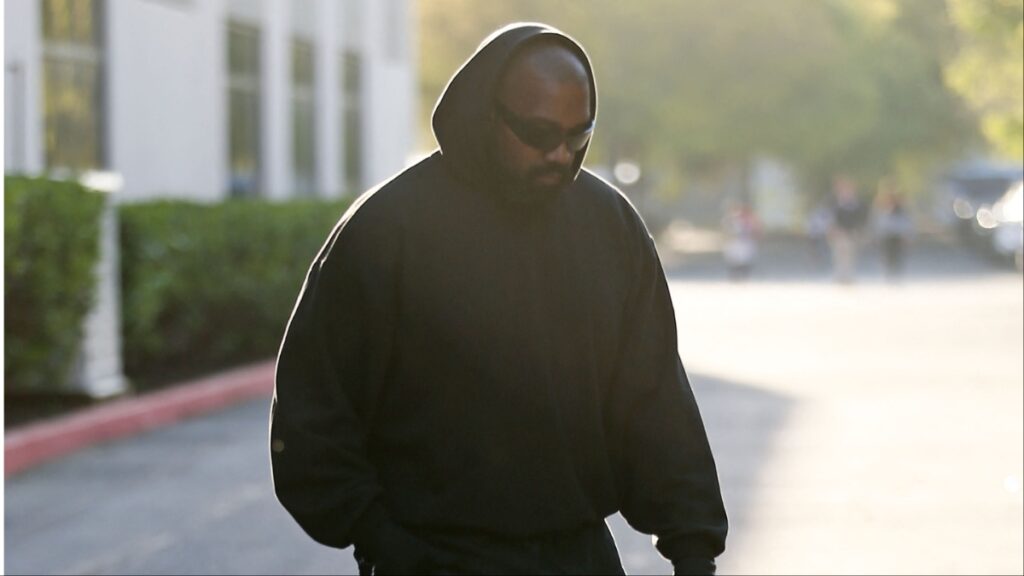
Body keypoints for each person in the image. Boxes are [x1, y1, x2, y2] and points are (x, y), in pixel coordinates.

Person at [270, 23, 727, 575]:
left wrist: (694, 549)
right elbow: (314, 410)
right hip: (429, 557)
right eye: (538, 134)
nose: (561, 154)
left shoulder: (609, 227)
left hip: (577, 556)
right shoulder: (386, 230)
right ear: (488, 115)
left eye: (578, 135)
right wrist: (379, 537)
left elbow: (653, 398)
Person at [827, 176, 868, 284]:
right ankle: (840, 276)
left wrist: (858, 231)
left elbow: (861, 219)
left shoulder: (857, 205)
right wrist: (833, 230)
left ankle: (849, 276)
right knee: (839, 255)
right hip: (840, 234)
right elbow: (832, 220)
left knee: (851, 256)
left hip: (852, 233)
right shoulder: (836, 205)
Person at [872, 182, 913, 281]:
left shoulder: (902, 209)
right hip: (886, 236)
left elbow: (906, 222)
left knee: (898, 256)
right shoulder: (880, 207)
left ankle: (897, 276)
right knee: (886, 256)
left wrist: (907, 235)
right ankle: (888, 275)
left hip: (898, 235)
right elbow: (877, 222)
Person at [721, 199, 761, 281]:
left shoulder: (748, 219)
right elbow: (726, 230)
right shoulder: (729, 219)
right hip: (734, 241)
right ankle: (734, 275)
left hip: (745, 240)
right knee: (734, 258)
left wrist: (754, 235)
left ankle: (744, 274)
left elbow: (754, 229)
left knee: (745, 257)